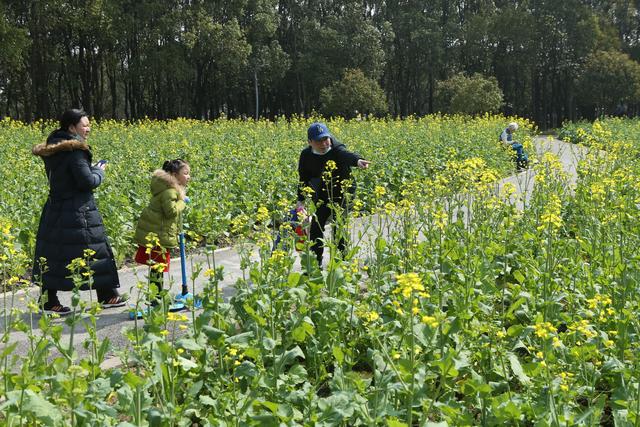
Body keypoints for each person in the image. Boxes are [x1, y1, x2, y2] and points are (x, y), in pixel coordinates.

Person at [32, 108, 125, 314]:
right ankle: (106, 295)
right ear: (72, 127)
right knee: (94, 249)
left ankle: (49, 300)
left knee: (55, 254)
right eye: (85, 125)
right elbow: (87, 182)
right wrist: (98, 170)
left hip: (56, 208)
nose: (88, 128)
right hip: (77, 210)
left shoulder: (54, 148)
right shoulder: (74, 151)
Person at [297, 122, 370, 267]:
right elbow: (303, 178)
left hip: (343, 193)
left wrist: (358, 161)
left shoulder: (336, 149)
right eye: (319, 141)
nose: (324, 144)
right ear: (310, 142)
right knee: (316, 227)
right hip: (322, 195)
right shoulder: (306, 155)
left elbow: (347, 155)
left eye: (326, 139)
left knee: (339, 226)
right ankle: (315, 264)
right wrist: (300, 201)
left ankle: (342, 263)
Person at [133, 159, 190, 306]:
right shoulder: (170, 191)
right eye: (185, 173)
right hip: (158, 235)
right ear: (173, 175)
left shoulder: (165, 187)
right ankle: (155, 300)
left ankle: (155, 297)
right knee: (157, 268)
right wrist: (182, 202)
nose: (188, 177)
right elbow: (170, 212)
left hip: (155, 233)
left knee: (156, 268)